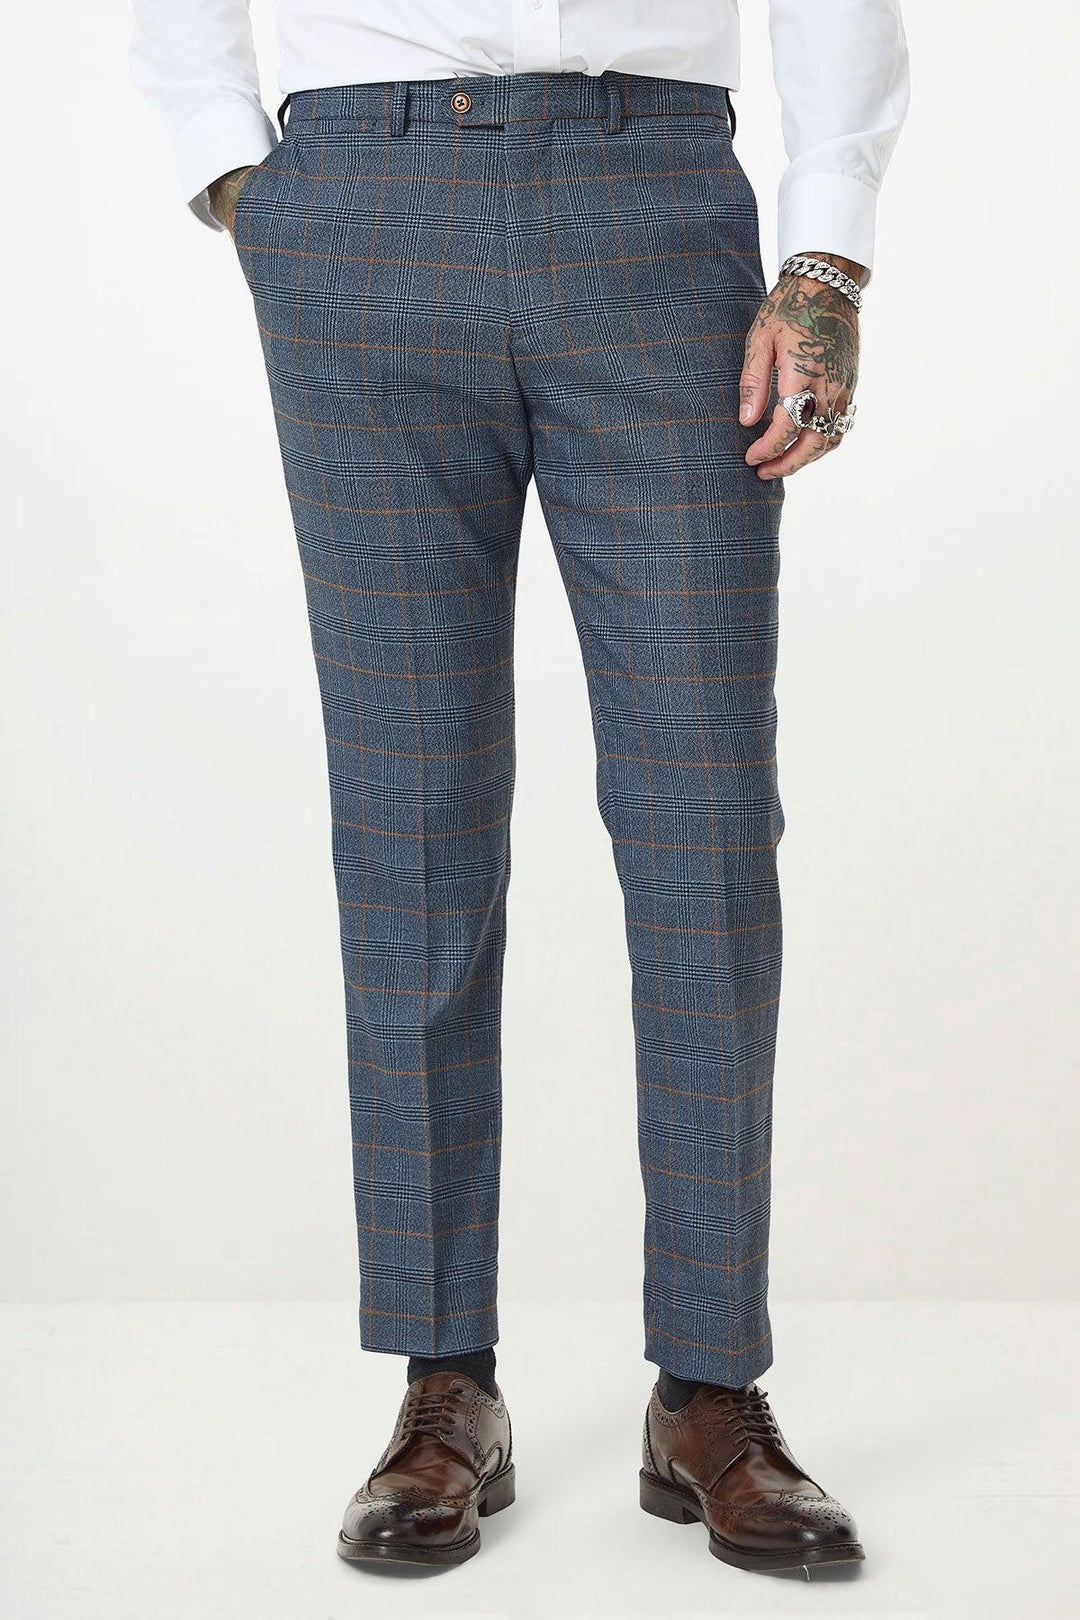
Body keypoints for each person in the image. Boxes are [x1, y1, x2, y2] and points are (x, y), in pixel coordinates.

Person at [131, 0, 908, 1575]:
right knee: (410, 819)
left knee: (703, 821)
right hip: (357, 201)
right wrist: (240, 179)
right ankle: (444, 1388)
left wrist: (826, 257)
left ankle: (709, 1391)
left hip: (655, 200)